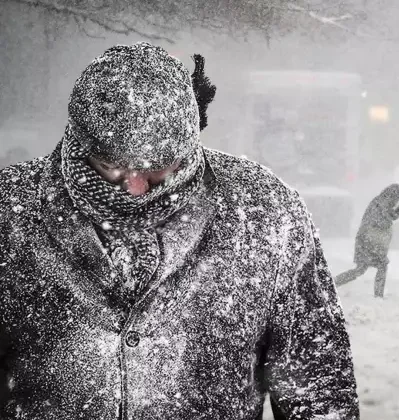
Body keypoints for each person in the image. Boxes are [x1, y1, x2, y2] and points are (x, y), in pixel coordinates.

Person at [0, 42, 359, 420]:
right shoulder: (10, 212)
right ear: (79, 142)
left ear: (191, 141)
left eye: (159, 167)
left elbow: (317, 387)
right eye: (111, 166)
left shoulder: (265, 212)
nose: (136, 188)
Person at [335, 184, 399, 298]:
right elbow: (384, 221)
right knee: (374, 267)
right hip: (368, 242)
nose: (396, 202)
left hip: (371, 241)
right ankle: (378, 295)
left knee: (362, 269)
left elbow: (392, 216)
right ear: (393, 196)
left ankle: (333, 283)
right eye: (397, 199)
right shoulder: (380, 204)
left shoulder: (382, 203)